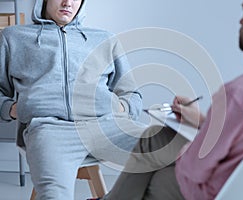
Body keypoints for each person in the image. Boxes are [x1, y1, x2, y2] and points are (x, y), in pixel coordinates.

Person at [96, 0, 243, 199]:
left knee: (156, 180)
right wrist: (204, 122)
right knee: (156, 137)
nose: (240, 21)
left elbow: (194, 170)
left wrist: (186, 152)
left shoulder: (239, 94)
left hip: (229, 189)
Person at [0, 0, 147, 199]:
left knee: (173, 154)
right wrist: (14, 109)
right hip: (50, 131)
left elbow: (133, 96)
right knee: (54, 196)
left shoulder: (105, 40)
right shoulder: (14, 38)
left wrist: (117, 107)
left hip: (106, 126)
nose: (68, 3)